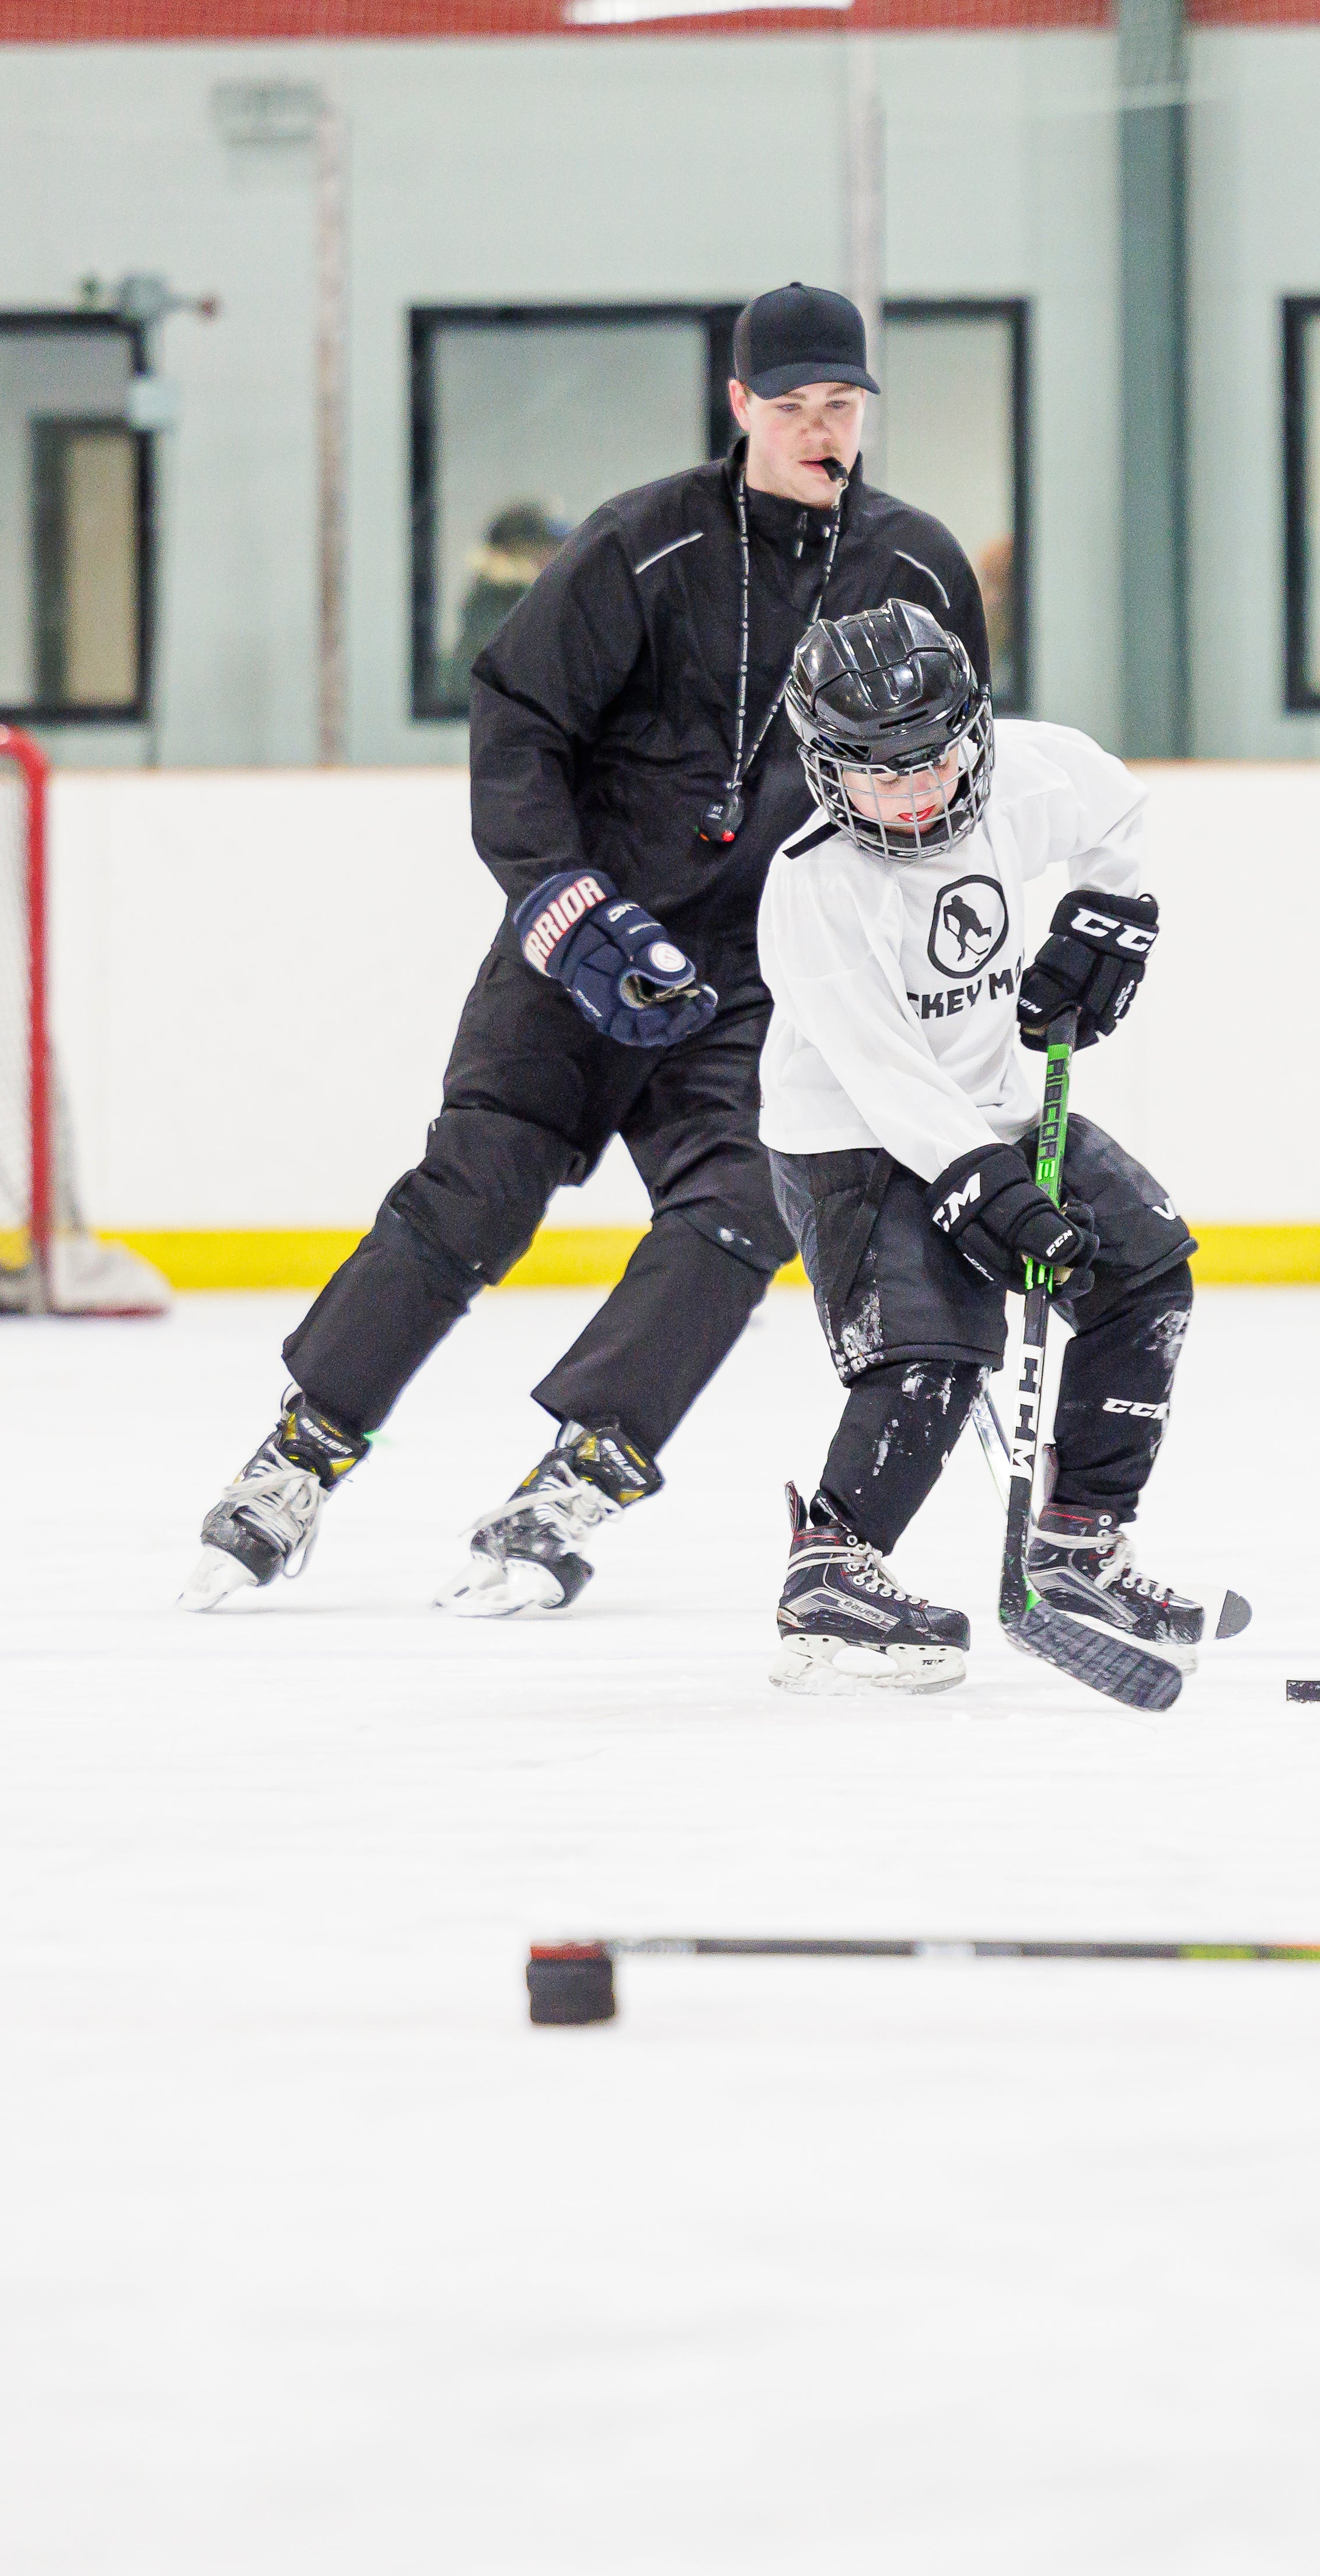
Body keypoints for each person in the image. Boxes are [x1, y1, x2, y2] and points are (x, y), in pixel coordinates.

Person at [182, 286, 990, 1616]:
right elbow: (517, 723)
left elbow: (953, 773)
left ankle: (582, 1472)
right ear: (738, 407)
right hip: (582, 936)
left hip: (762, 972)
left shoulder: (912, 567)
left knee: (737, 1212)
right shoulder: (641, 546)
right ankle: (299, 1453)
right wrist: (564, 906)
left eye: (840, 405)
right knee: (474, 1189)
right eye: (791, 407)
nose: (819, 430)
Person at [751, 600, 1245, 1700]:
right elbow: (882, 1074)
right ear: (827, 768)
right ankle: (829, 1570)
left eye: (935, 762)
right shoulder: (813, 883)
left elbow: (1121, 811)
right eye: (881, 775)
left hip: (991, 1104)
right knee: (935, 1348)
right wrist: (983, 1184)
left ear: (973, 728)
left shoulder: (1027, 773)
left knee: (1145, 1272)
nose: (918, 794)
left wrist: (1109, 917)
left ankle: (1076, 1549)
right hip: (857, 1139)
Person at [441, 500, 568, 702]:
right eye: (546, 550)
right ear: (516, 554)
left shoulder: (502, 601)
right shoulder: (507, 606)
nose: (556, 558)